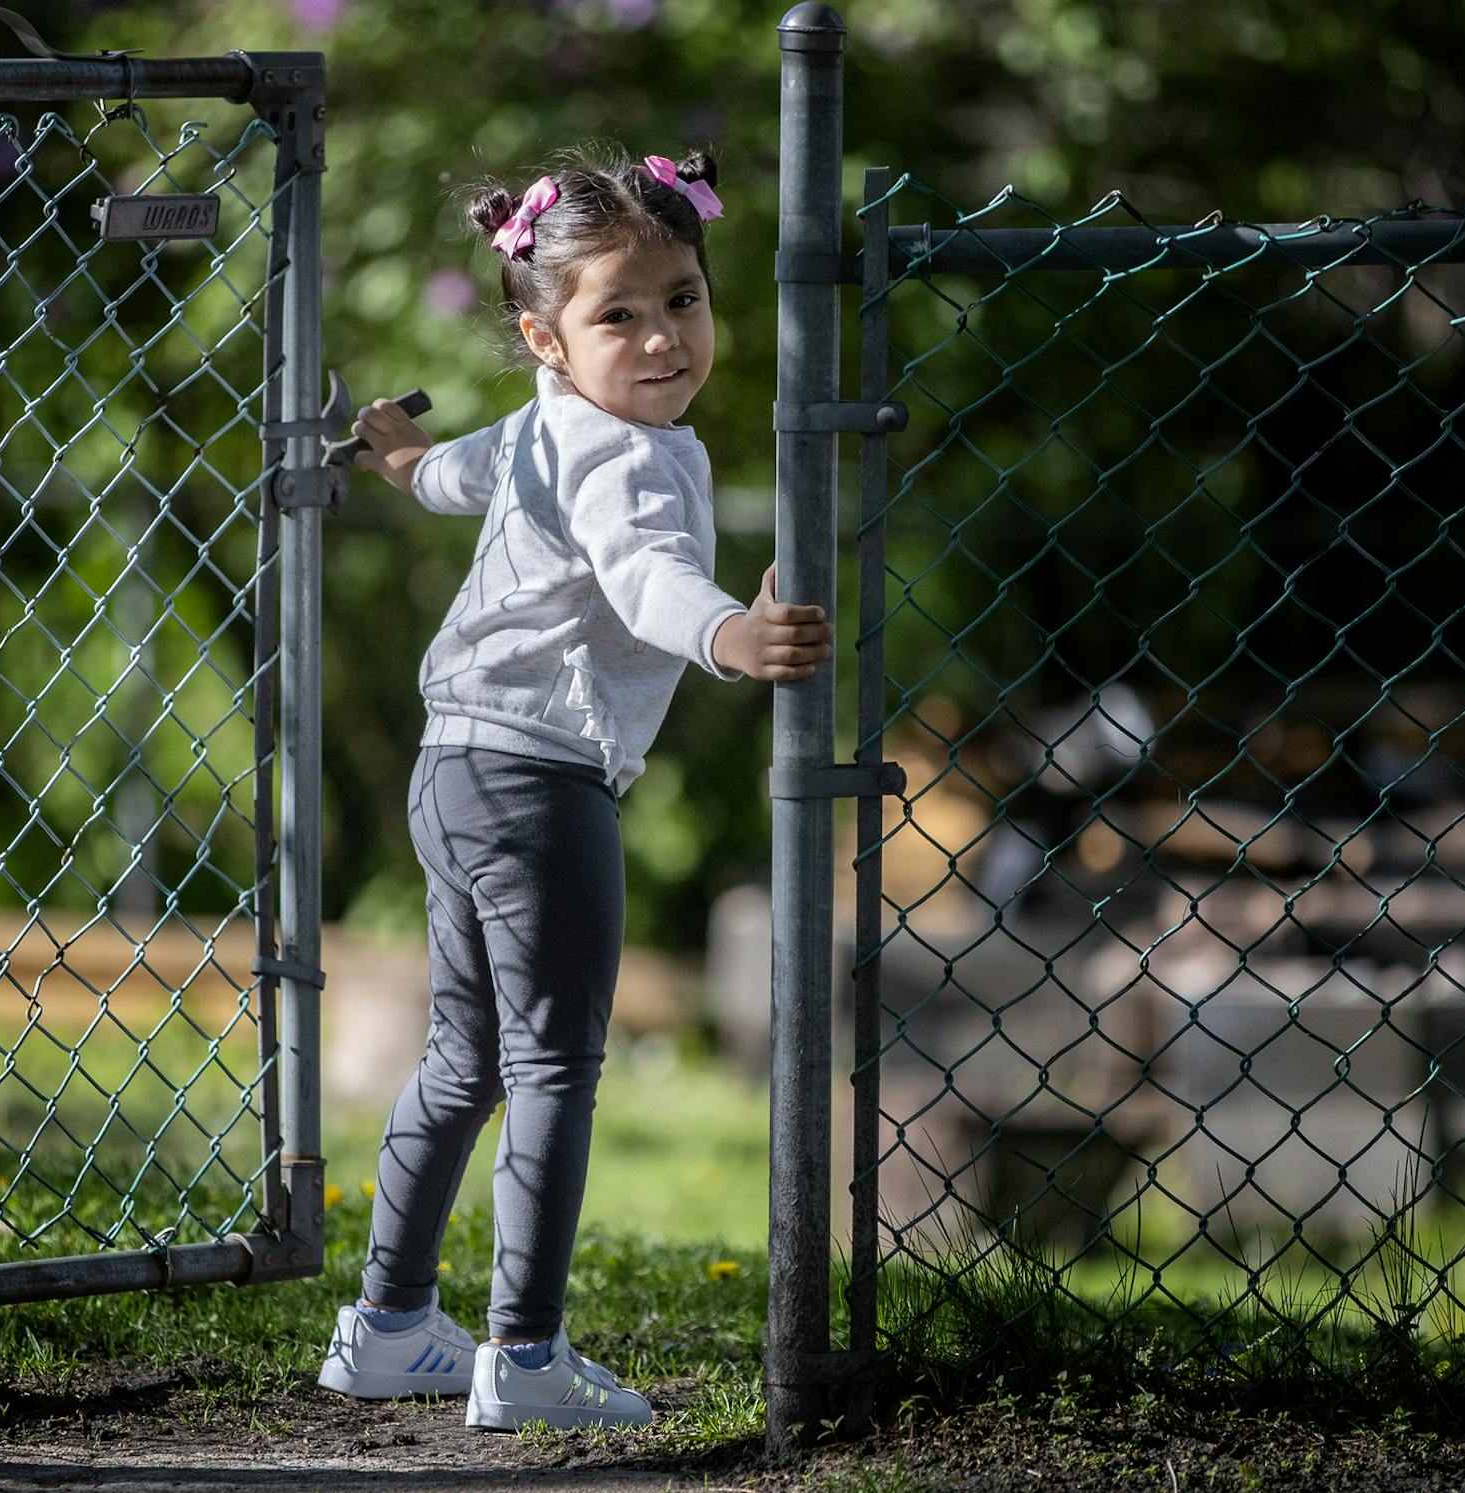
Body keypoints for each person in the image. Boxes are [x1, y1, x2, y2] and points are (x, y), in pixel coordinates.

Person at [312, 141, 833, 1431]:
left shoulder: (553, 425)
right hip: (541, 786)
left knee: (464, 1059)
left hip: (453, 773)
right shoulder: (636, 459)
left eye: (684, 302)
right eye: (619, 317)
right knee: (555, 1068)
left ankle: (386, 1328)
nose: (662, 340)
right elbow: (648, 575)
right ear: (548, 338)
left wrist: (392, 460)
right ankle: (525, 1356)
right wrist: (728, 636)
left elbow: (461, 472)